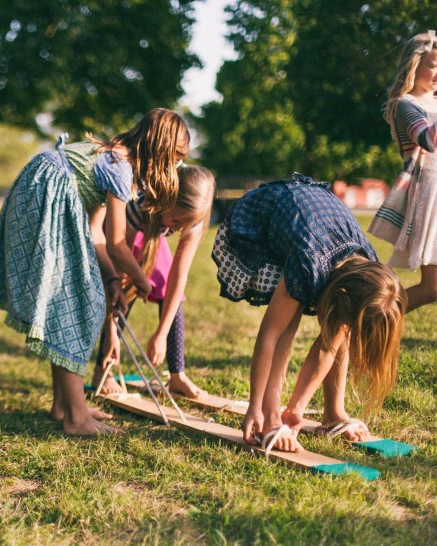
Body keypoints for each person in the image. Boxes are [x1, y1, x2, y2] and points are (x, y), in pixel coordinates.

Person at [0, 108, 190, 436]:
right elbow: (120, 244)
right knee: (75, 300)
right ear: (161, 151)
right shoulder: (121, 170)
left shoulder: (109, 157)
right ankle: (76, 418)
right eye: (176, 158)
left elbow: (97, 236)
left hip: (40, 187)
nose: (176, 166)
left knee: (75, 298)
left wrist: (110, 280)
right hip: (44, 197)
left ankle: (64, 404)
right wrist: (142, 281)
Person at [213, 174, 406, 453]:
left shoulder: (368, 274)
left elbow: (329, 346)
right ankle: (269, 415)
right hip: (262, 216)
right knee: (286, 324)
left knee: (340, 332)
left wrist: (296, 410)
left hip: (310, 222)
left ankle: (333, 413)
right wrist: (257, 409)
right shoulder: (308, 264)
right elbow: (269, 335)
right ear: (338, 296)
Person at [92, 166, 216, 398]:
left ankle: (177, 375)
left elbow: (177, 279)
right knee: (125, 290)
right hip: (120, 234)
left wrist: (162, 333)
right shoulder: (139, 204)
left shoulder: (193, 220)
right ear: (166, 200)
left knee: (168, 289)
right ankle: (103, 369)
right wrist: (110, 329)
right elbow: (117, 276)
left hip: (153, 235)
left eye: (183, 225)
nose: (177, 228)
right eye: (176, 220)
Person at [370, 30, 437, 312]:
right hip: (431, 196)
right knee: (433, 287)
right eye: (434, 64)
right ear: (415, 65)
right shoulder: (406, 104)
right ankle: (370, 321)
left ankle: (369, 323)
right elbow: (428, 140)